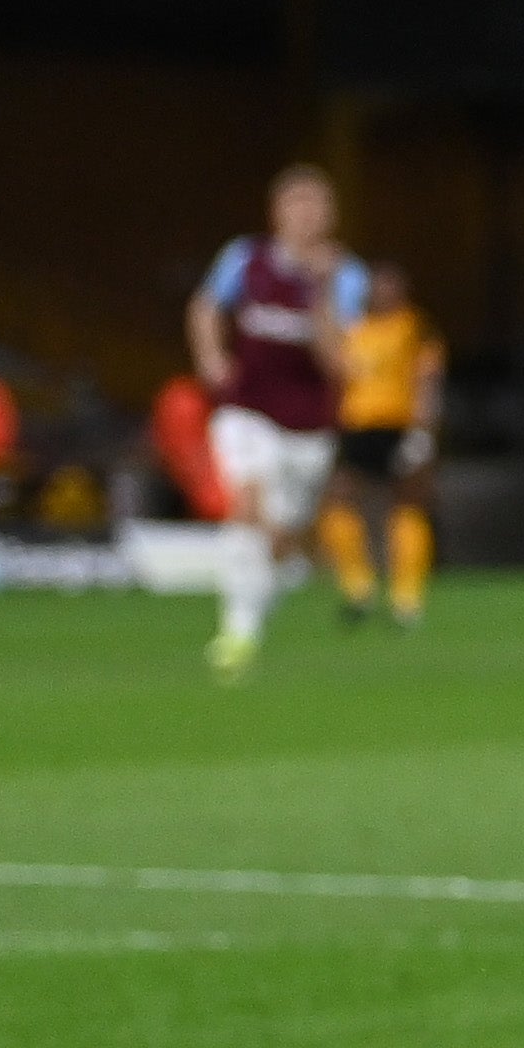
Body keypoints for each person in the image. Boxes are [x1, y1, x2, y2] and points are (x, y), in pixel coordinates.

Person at [187, 164, 364, 677]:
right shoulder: (245, 258)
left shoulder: (346, 274)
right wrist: (211, 356)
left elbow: (336, 363)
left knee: (285, 540)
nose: (308, 215)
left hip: (308, 424)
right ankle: (238, 632)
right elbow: (204, 307)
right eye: (297, 203)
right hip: (247, 408)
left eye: (317, 204)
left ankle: (262, 596)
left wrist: (323, 295)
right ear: (277, 211)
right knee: (246, 502)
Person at [318, 263, 446, 628]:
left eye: (390, 285)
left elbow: (428, 381)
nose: (383, 292)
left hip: (400, 426)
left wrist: (423, 433)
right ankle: (358, 586)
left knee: (409, 502)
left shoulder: (415, 328)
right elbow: (336, 370)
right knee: (338, 501)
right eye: (377, 285)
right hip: (358, 427)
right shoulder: (356, 330)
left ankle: (407, 597)